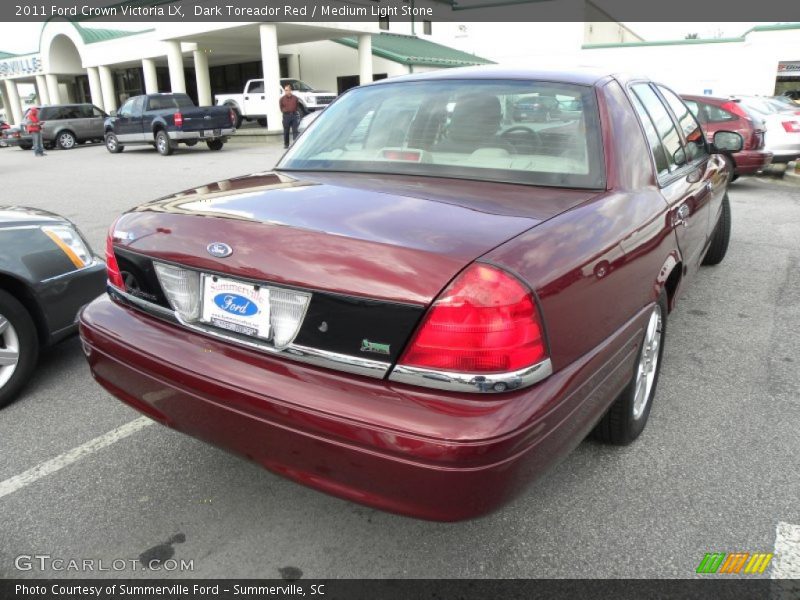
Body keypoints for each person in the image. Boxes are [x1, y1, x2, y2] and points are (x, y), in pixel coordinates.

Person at [279, 84, 300, 149]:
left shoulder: (295, 98)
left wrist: (294, 112)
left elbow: (297, 106)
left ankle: (295, 144)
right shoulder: (282, 99)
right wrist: (285, 111)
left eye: (287, 90)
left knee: (295, 130)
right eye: (285, 90)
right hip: (286, 116)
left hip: (294, 115)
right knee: (286, 131)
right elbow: (281, 107)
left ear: (290, 90)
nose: (286, 91)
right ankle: (286, 144)